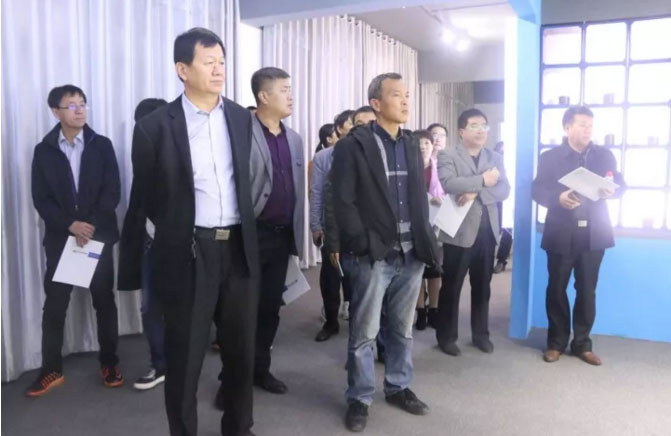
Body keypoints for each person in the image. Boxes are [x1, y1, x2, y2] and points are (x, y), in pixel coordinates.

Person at [118, 27, 259, 436]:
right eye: (208, 62)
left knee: (241, 352)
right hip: (190, 253)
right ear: (182, 69)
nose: (219, 70)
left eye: (222, 62)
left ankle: (239, 427)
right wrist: (177, 235)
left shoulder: (239, 116)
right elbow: (147, 197)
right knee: (185, 358)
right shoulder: (154, 127)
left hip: (238, 249)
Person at [331, 72, 441, 432]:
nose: (406, 101)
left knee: (402, 328)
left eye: (407, 95)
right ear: (376, 104)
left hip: (411, 253)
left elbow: (418, 197)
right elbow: (343, 201)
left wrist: (425, 241)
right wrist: (362, 243)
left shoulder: (411, 143)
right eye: (397, 95)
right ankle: (360, 397)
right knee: (364, 332)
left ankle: (398, 386)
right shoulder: (354, 145)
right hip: (373, 254)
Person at [27, 84, 122, 397]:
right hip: (62, 239)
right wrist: (70, 225)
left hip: (96, 238)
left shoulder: (101, 145)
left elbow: (112, 191)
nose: (79, 110)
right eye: (71, 105)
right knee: (55, 306)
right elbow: (41, 198)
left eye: (83, 104)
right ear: (56, 111)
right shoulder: (44, 151)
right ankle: (51, 369)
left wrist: (88, 226)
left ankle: (109, 363)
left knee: (103, 302)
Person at [532, 105, 625, 366]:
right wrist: (558, 198)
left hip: (594, 233)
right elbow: (537, 189)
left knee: (587, 290)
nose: (588, 130)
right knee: (556, 288)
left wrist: (613, 189)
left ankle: (582, 344)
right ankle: (556, 343)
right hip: (561, 231)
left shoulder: (604, 155)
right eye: (582, 124)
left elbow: (621, 184)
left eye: (590, 125)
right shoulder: (550, 157)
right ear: (567, 127)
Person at [435, 108, 510, 357]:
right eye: (475, 126)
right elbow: (449, 184)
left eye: (484, 126)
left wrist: (473, 191)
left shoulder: (494, 157)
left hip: (488, 232)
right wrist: (482, 181)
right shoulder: (448, 154)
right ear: (462, 131)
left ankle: (481, 335)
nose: (481, 131)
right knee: (452, 285)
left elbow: (504, 190)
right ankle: (446, 337)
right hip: (458, 231)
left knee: (483, 287)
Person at [248, 67, 305, 394]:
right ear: (264, 96)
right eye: (284, 90)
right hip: (251, 234)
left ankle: (260, 370)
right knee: (242, 310)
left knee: (270, 307)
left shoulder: (294, 138)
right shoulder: (243, 132)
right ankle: (232, 378)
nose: (291, 96)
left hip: (282, 236)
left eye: (290, 89)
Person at [125, 98, 169, 390]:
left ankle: (178, 363)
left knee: (183, 306)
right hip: (149, 242)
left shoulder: (186, 152)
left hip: (184, 241)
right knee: (150, 306)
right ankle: (160, 364)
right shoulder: (141, 156)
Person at [311, 122, 346, 342]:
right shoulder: (324, 157)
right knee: (330, 278)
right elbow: (316, 192)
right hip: (331, 228)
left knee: (358, 279)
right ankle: (331, 321)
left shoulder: (365, 153)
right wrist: (316, 225)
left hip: (358, 230)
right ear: (340, 129)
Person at [413, 129, 445, 330]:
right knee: (416, 271)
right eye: (419, 143)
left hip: (435, 226)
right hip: (414, 226)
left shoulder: (439, 167)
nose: (423, 147)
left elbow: (449, 193)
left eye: (426, 143)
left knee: (434, 271)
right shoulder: (408, 167)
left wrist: (441, 199)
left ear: (433, 145)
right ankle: (420, 311)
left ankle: (434, 309)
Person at [493, 141, 512, 274]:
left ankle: (501, 260)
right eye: (501, 152)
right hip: (497, 200)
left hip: (513, 200)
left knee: (508, 231)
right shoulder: (493, 166)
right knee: (495, 229)